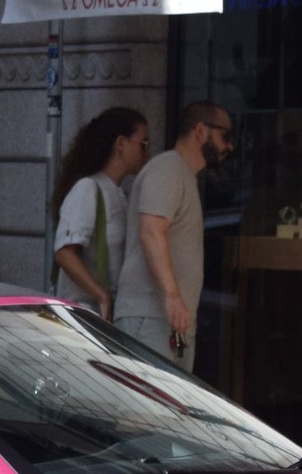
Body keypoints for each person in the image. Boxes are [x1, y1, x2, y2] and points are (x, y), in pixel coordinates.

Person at [115, 101, 233, 372]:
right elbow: (151, 230)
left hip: (163, 321)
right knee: (147, 411)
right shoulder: (168, 168)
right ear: (201, 131)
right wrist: (172, 298)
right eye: (226, 136)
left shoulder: (179, 173)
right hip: (151, 317)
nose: (230, 146)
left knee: (161, 412)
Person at [49, 107, 148, 317]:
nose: (147, 153)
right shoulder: (88, 188)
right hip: (83, 316)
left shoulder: (120, 195)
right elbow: (65, 253)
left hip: (103, 316)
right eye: (143, 144)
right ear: (121, 144)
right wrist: (102, 296)